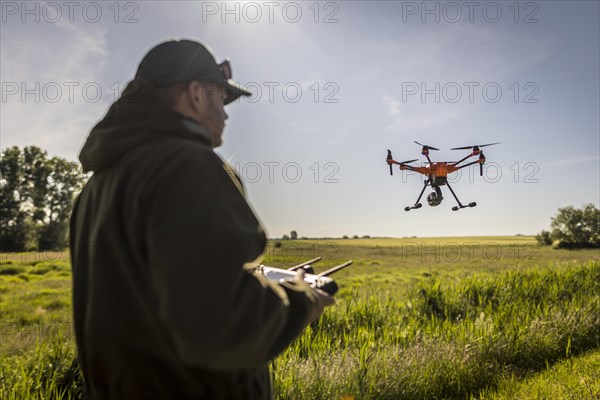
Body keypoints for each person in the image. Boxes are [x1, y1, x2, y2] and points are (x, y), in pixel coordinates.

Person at [69, 39, 334, 400]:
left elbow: (159, 286)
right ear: (195, 93)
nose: (225, 114)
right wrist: (302, 297)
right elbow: (221, 328)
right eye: (221, 99)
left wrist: (253, 278)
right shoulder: (187, 165)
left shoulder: (97, 187)